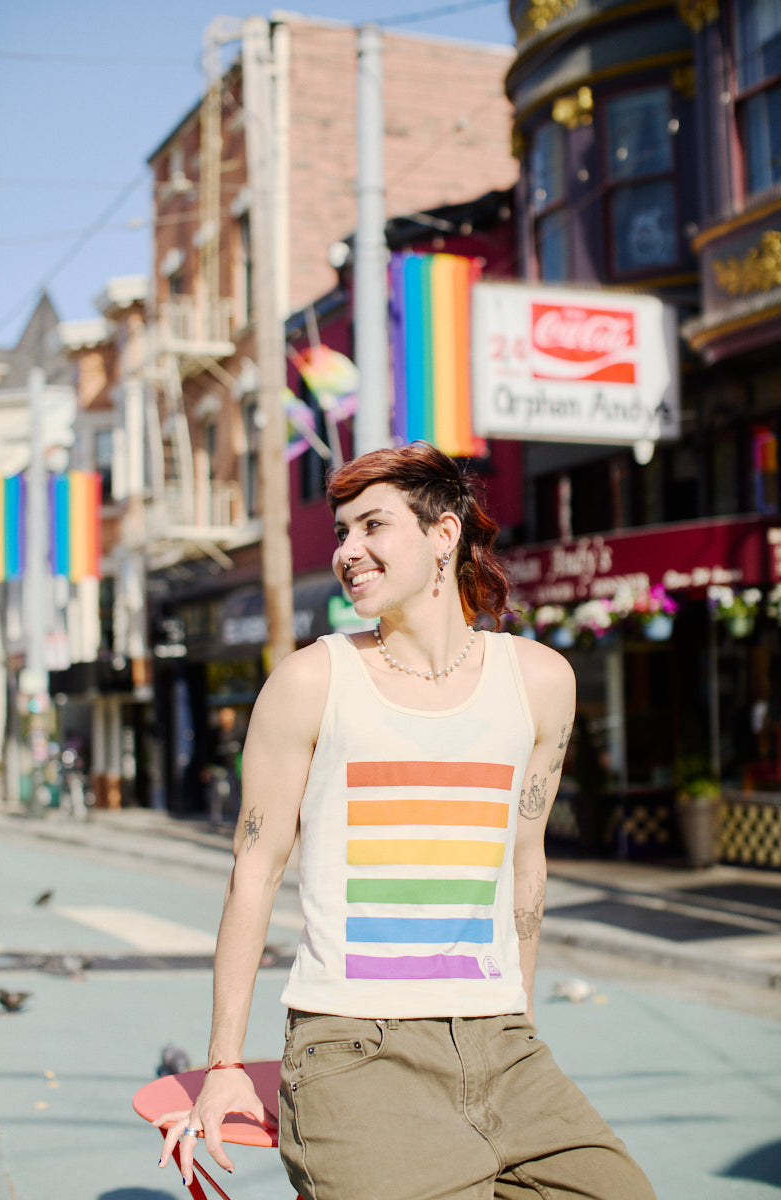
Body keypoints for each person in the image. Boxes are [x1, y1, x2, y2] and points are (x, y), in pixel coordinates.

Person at [157, 442, 656, 1200]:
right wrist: (224, 1063)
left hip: (499, 1042)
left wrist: (516, 1016)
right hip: (355, 1046)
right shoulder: (312, 681)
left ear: (444, 535)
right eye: (341, 533)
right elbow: (253, 871)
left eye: (372, 526)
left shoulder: (540, 683)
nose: (348, 551)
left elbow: (526, 864)